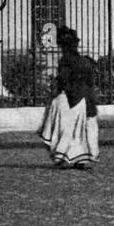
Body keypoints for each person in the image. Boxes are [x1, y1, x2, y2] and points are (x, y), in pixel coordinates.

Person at [38, 26, 99, 170]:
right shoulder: (85, 61)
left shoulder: (66, 61)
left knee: (64, 129)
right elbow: (90, 83)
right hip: (84, 99)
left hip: (70, 99)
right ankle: (79, 158)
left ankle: (63, 156)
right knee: (80, 131)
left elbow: (63, 81)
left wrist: (57, 91)